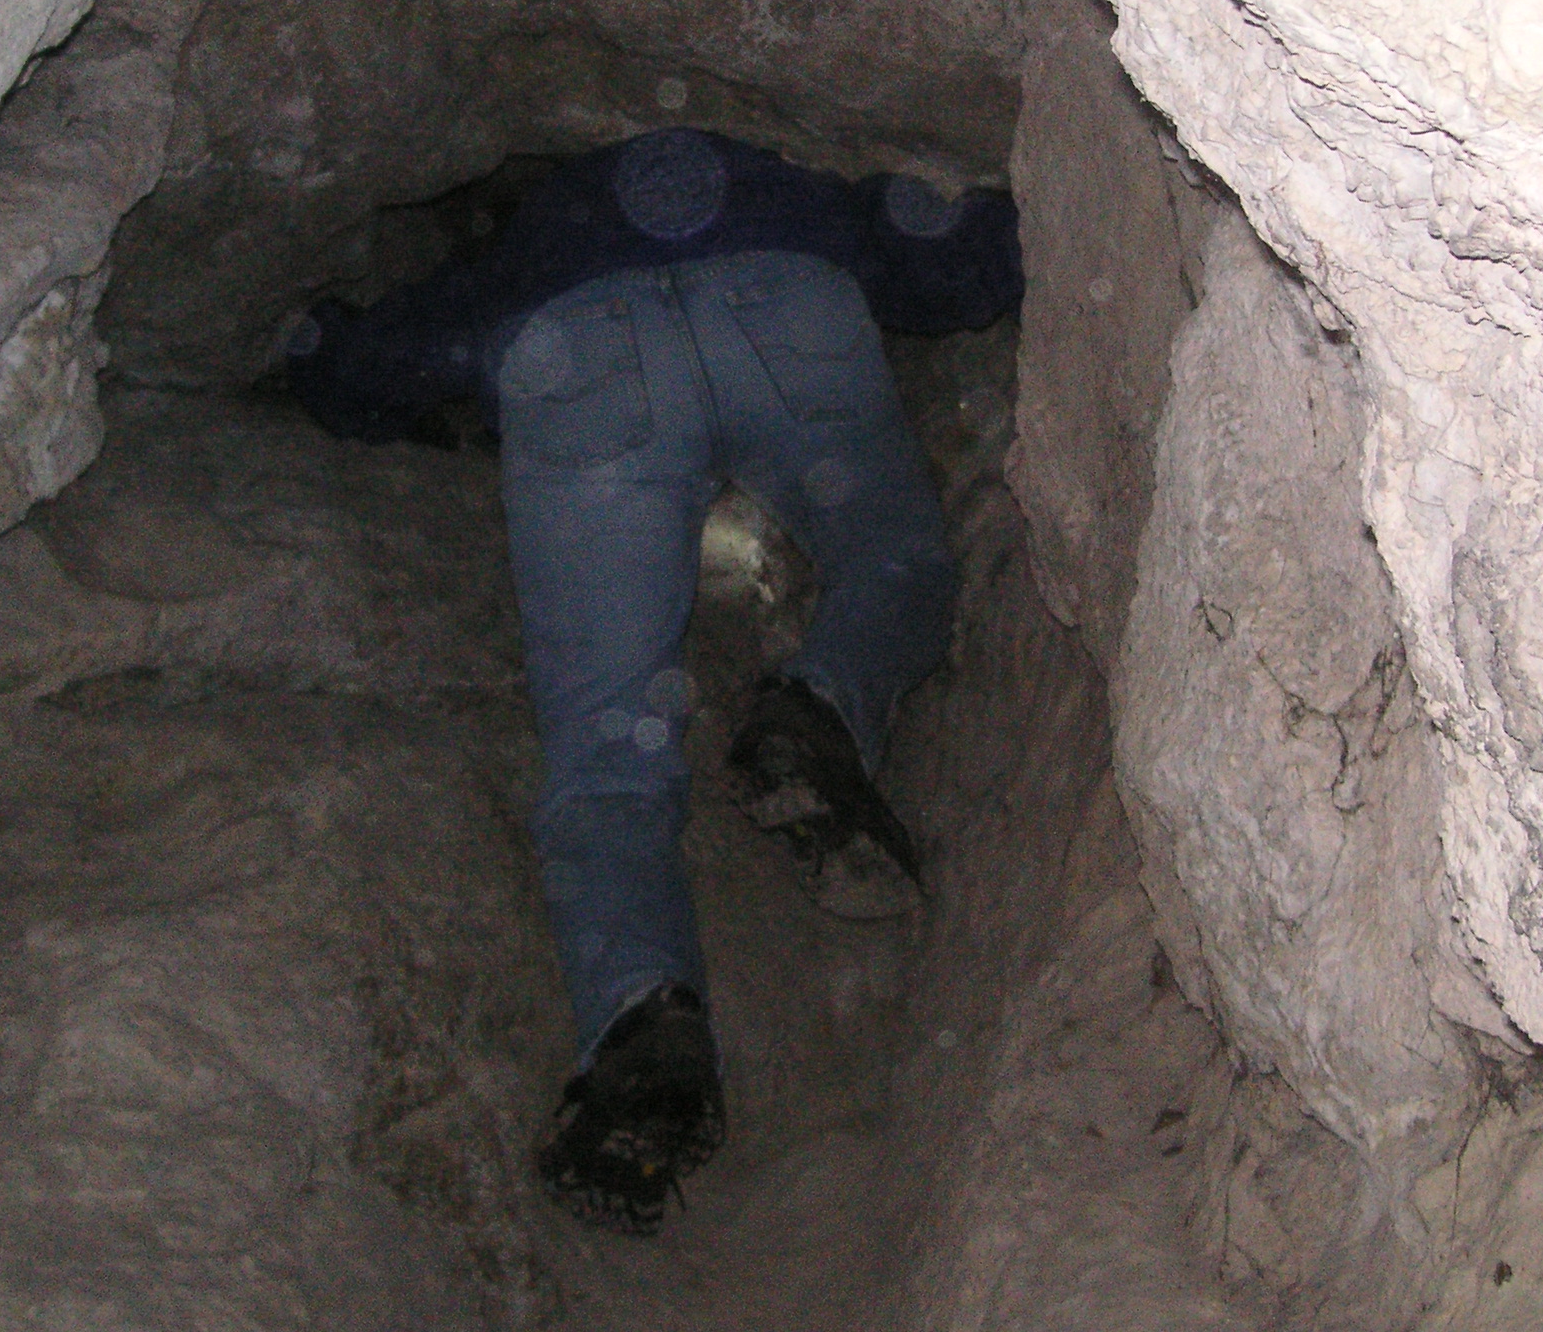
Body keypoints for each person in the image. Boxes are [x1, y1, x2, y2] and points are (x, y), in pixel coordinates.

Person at [285, 127, 1022, 1233]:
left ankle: (643, 1026)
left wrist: (313, 357)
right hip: (788, 295)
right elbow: (942, 255)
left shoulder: (535, 240)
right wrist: (1019, 228)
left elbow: (395, 356)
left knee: (607, 751)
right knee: (899, 561)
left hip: (575, 349)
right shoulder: (782, 179)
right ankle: (818, 704)